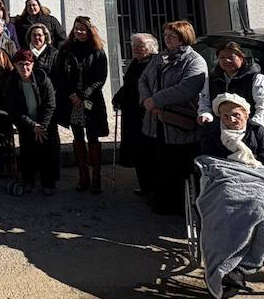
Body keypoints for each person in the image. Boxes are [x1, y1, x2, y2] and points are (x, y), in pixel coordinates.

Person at [197, 93, 264, 299]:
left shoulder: (257, 132)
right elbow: (208, 162)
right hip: (227, 182)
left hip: (260, 180)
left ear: (246, 114)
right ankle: (233, 270)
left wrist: (254, 171)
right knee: (228, 205)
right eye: (225, 116)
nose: (230, 120)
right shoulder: (212, 134)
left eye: (235, 115)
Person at [139, 20, 208, 215]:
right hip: (157, 120)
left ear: (184, 37)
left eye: (172, 36)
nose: (167, 39)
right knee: (162, 161)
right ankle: (162, 200)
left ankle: (181, 206)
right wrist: (146, 100)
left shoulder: (194, 60)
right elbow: (143, 79)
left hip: (179, 122)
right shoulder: (160, 57)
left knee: (180, 166)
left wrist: (156, 100)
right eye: (166, 35)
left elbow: (187, 88)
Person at [55, 17, 109, 194]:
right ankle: (83, 176)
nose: (79, 32)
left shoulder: (98, 51)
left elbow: (100, 79)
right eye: (77, 28)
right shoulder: (65, 50)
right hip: (72, 101)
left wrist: (83, 95)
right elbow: (59, 75)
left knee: (93, 137)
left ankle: (96, 177)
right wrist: (71, 94)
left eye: (83, 29)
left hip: (90, 100)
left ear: (89, 31)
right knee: (78, 137)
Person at [5, 50, 59, 194]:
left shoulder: (43, 78)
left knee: (47, 152)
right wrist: (32, 125)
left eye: (27, 64)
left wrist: (42, 126)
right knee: (27, 152)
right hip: (26, 123)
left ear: (32, 64)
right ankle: (28, 181)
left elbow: (50, 104)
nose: (24, 68)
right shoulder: (12, 83)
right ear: (15, 66)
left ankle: (48, 183)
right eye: (20, 64)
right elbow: (14, 110)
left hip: (44, 122)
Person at [113, 33, 159, 195]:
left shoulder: (154, 64)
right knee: (138, 151)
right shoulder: (135, 63)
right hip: (132, 113)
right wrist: (118, 96)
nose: (136, 49)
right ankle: (144, 185)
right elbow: (129, 85)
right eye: (134, 46)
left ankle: (153, 188)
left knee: (148, 152)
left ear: (150, 48)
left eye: (140, 46)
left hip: (145, 114)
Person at [197, 41, 264, 129]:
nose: (226, 60)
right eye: (222, 57)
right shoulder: (212, 79)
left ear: (241, 58)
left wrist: (252, 129)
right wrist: (205, 115)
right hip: (220, 133)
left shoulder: (257, 79)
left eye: (231, 57)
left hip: (250, 131)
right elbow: (204, 101)